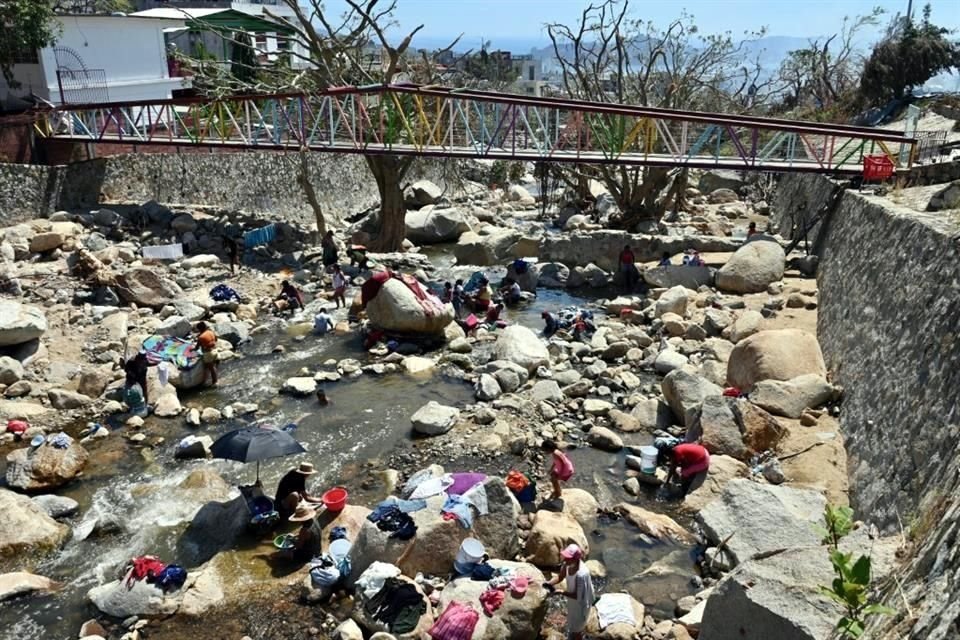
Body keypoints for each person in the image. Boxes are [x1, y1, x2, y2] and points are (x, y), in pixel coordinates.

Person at [545, 544, 594, 640]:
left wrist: (560, 592)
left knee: (577, 630)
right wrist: (549, 583)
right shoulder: (567, 564)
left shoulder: (581, 574)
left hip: (581, 603)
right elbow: (560, 576)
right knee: (572, 622)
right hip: (573, 599)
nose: (565, 559)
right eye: (565, 557)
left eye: (568, 558)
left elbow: (578, 595)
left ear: (575, 559)